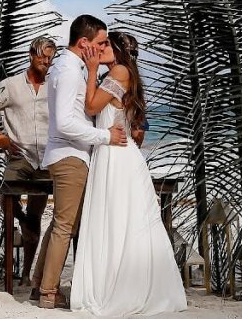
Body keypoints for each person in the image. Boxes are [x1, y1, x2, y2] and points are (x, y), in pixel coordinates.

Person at [71, 31, 188, 315]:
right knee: (120, 221)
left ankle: (121, 286)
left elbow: (90, 106)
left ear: (120, 51)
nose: (100, 49)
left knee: (118, 220)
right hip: (115, 154)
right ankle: (117, 281)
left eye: (106, 45)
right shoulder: (123, 73)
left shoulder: (120, 71)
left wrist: (90, 70)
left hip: (116, 157)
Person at [32, 15, 128, 310]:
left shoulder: (70, 67)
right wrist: (104, 136)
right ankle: (49, 292)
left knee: (61, 223)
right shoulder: (70, 71)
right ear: (84, 42)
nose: (103, 47)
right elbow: (64, 123)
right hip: (70, 155)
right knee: (66, 226)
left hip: (68, 154)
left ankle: (39, 284)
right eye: (100, 42)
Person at [0, 37, 56, 285]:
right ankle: (22, 220)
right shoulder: (10, 85)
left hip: (48, 159)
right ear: (31, 54)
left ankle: (25, 274)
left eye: (50, 57)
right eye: (42, 56)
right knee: (6, 193)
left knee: (37, 214)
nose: (46, 61)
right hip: (20, 156)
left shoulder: (55, 85)